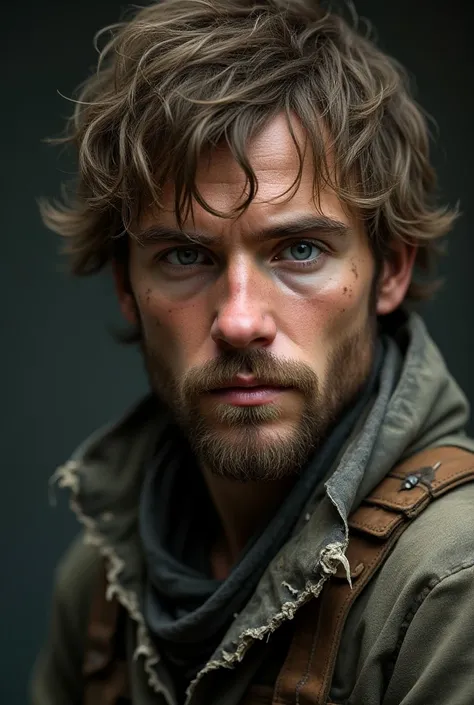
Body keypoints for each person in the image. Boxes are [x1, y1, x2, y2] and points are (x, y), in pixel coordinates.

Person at [31, 1, 474, 704]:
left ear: (391, 268)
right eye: (185, 254)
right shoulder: (99, 587)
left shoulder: (453, 581)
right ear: (126, 285)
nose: (240, 320)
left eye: (299, 249)